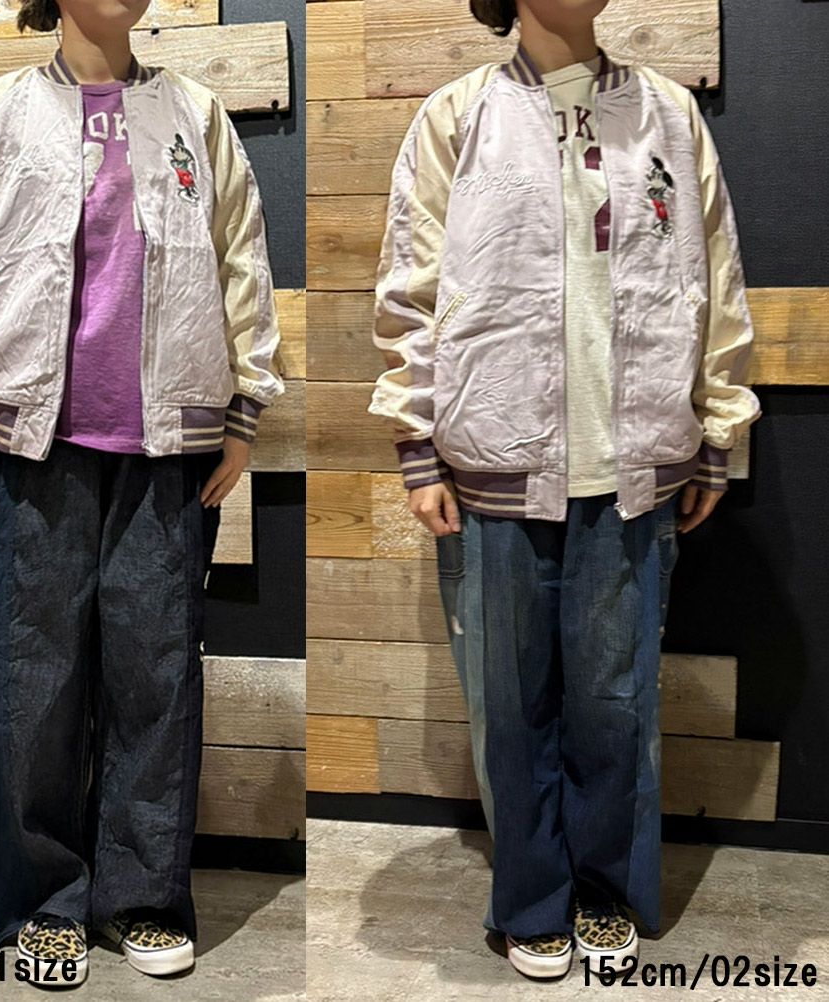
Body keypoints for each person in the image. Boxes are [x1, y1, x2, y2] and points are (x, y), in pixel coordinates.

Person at [367, 0, 760, 981]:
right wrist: (417, 443)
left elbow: (714, 275)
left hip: (635, 464)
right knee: (509, 706)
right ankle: (532, 898)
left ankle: (604, 889)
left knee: (615, 703)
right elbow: (410, 287)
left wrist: (717, 431)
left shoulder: (668, 114)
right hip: (496, 458)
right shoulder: (458, 115)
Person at [0, 0, 284, 986]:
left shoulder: (195, 111)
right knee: (32, 688)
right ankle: (45, 901)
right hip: (27, 444)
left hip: (167, 445)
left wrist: (243, 411)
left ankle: (143, 898)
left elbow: (241, 258)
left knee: (157, 677)